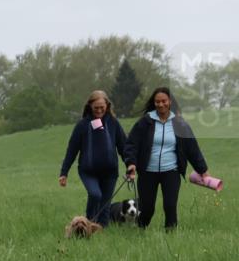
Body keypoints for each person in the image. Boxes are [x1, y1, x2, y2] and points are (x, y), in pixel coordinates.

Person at [124, 87, 210, 230]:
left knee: (170, 206)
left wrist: (203, 170)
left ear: (170, 102)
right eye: (157, 102)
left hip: (171, 171)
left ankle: (171, 236)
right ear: (154, 103)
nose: (160, 104)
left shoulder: (180, 124)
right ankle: (139, 231)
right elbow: (131, 144)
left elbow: (192, 148)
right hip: (147, 172)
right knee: (147, 208)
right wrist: (131, 163)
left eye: (164, 101)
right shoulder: (145, 122)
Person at [59, 90, 128, 227]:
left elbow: (123, 147)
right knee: (95, 195)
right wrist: (64, 173)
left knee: (105, 205)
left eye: (102, 107)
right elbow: (72, 150)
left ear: (107, 106)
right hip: (88, 172)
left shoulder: (113, 123)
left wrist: (130, 165)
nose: (99, 110)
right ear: (90, 106)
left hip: (110, 173)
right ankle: (88, 226)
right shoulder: (82, 125)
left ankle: (103, 231)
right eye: (96, 107)